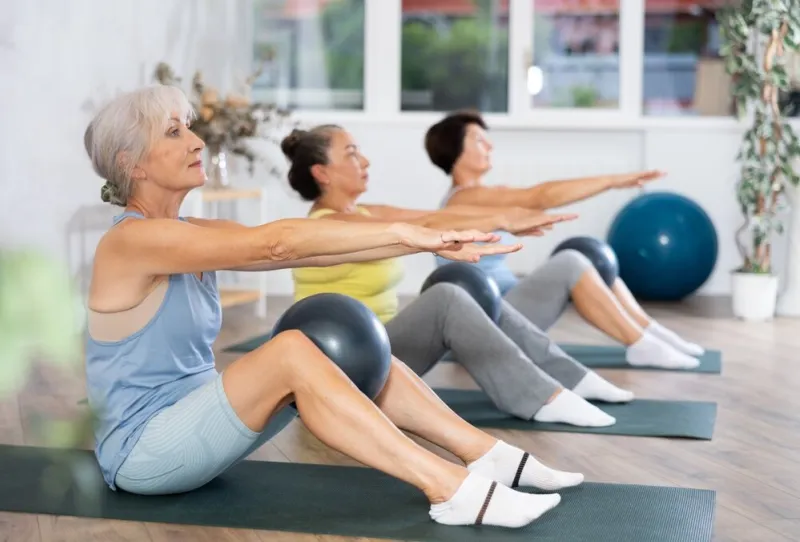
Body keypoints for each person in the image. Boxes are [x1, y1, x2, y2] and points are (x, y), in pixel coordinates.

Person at [81, 84, 592, 530]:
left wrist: (424, 241)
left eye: (190, 128)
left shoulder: (191, 234)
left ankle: (489, 455)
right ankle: (449, 489)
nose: (196, 141)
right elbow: (277, 245)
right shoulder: (129, 243)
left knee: (355, 349)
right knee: (291, 352)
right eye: (174, 132)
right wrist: (408, 233)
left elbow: (321, 244)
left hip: (197, 426)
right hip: (144, 453)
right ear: (131, 163)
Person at [283, 123, 637, 434]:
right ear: (323, 173)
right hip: (346, 364)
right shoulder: (329, 224)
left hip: (383, 351)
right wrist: (502, 219)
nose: (366, 162)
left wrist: (506, 216)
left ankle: (571, 379)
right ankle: (540, 398)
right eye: (352, 154)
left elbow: (437, 215)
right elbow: (421, 227)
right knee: (447, 297)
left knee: (458, 285)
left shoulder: (365, 212)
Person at [423, 110, 704, 370]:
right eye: (479, 140)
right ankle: (641, 344)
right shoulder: (464, 198)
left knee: (586, 253)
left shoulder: (484, 195)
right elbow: (541, 196)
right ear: (455, 149)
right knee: (572, 262)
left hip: (510, 301)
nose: (490, 146)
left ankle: (649, 330)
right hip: (492, 318)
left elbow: (535, 198)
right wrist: (612, 181)